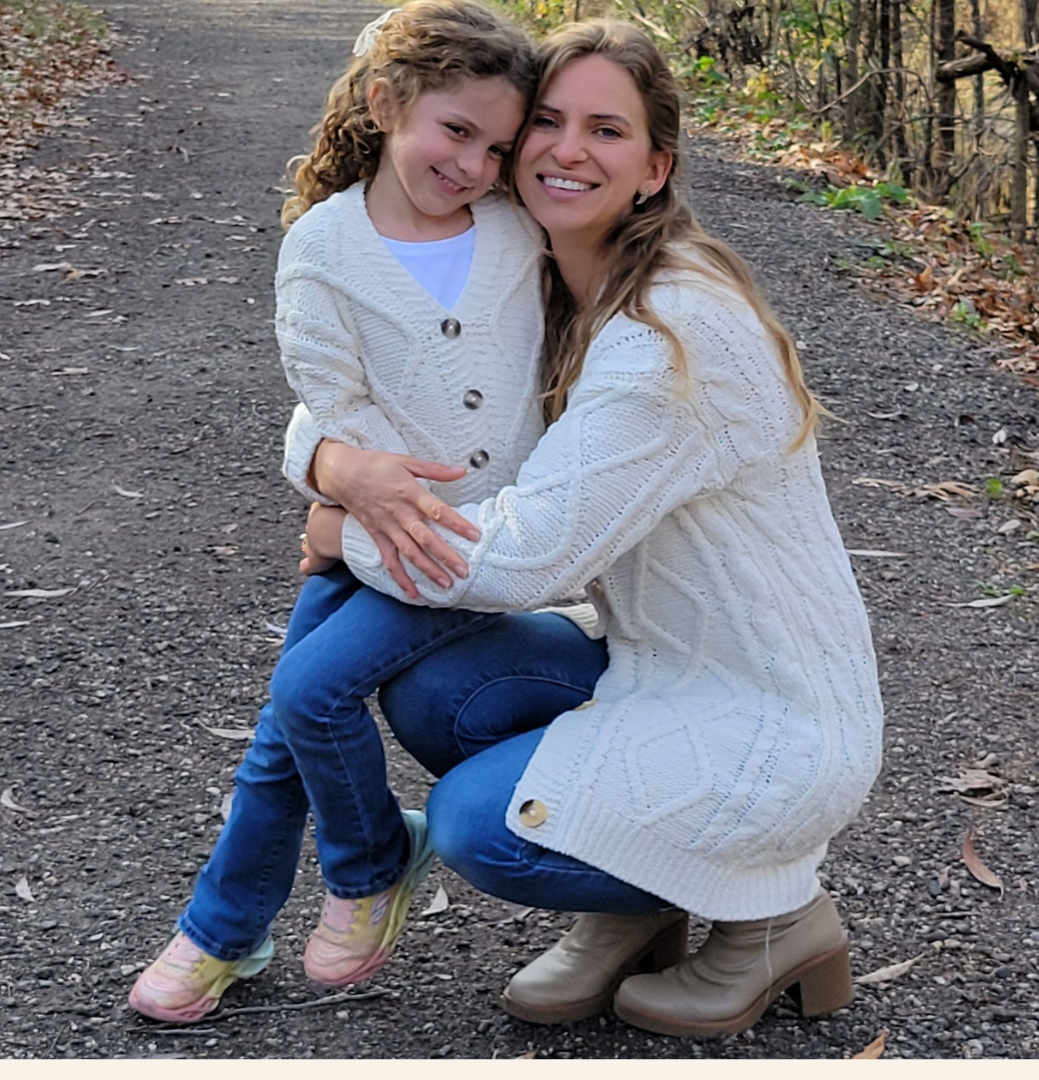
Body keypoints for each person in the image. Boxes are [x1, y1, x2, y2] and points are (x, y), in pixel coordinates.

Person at [299, 18, 884, 1039]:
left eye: (606, 131)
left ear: (654, 169)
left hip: (776, 715)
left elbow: (528, 558)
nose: (567, 151)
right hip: (656, 668)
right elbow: (375, 391)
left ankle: (779, 918)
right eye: (549, 122)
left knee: (483, 826)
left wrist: (339, 530)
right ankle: (641, 902)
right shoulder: (542, 281)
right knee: (443, 686)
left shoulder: (671, 329)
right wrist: (335, 463)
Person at [128, 0, 547, 1023]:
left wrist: (335, 493)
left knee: (302, 700)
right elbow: (330, 406)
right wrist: (335, 476)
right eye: (456, 131)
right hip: (387, 542)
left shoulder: (517, 226)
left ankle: (298, 895)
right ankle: (261, 912)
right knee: (291, 714)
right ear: (385, 101)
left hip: (494, 542)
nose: (474, 165)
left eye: (497, 146)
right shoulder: (323, 246)